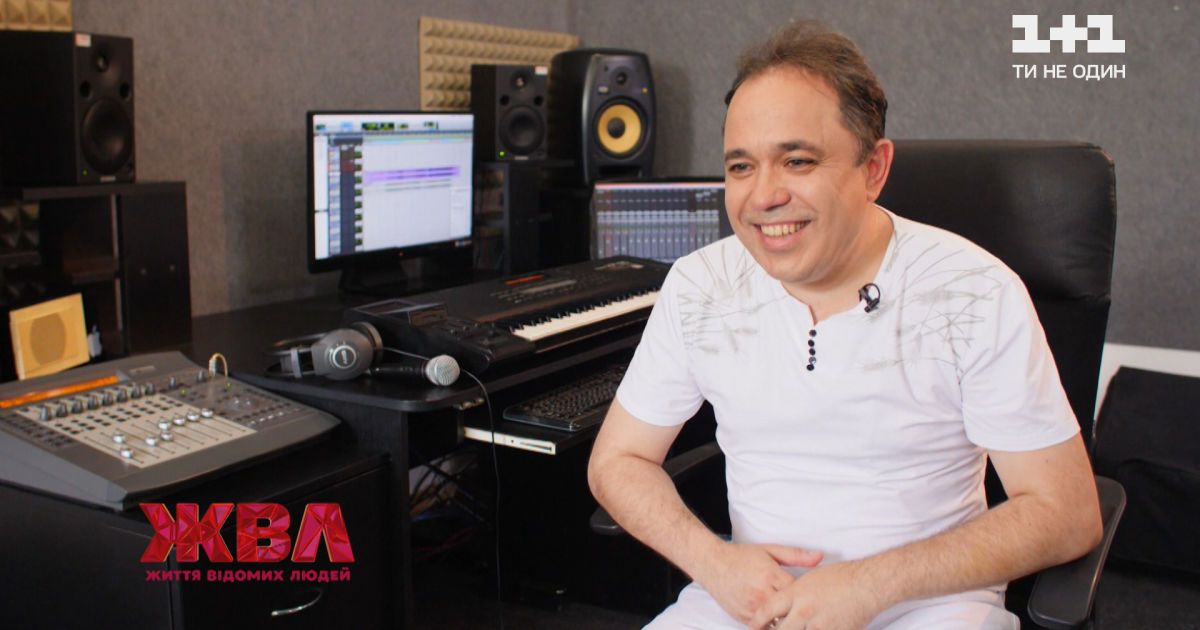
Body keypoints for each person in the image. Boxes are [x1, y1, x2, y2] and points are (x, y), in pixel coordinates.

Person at [587, 20, 1102, 630]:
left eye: (797, 160)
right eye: (742, 167)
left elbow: (1067, 513)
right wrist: (714, 563)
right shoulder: (701, 285)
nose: (763, 196)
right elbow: (617, 460)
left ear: (873, 169)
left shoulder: (973, 292)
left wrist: (871, 584)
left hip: (931, 604)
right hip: (753, 600)